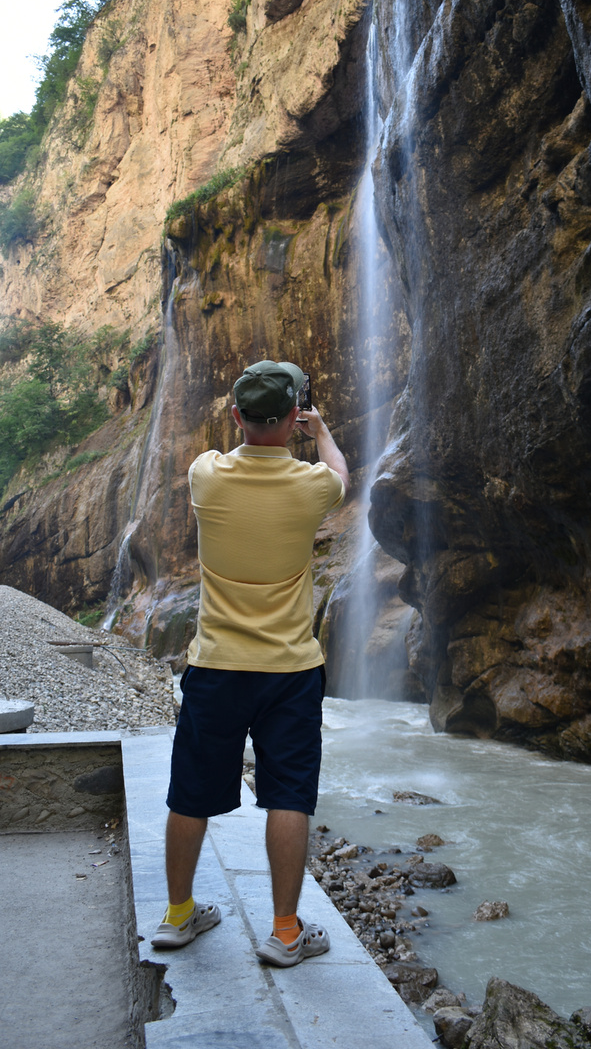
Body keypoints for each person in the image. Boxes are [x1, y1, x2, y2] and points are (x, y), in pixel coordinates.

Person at [150, 359, 349, 967]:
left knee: (190, 794)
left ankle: (179, 917)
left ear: (236, 417)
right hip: (290, 671)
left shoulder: (205, 474)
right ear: (294, 418)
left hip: (215, 665)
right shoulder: (313, 485)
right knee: (288, 795)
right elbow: (340, 471)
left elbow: (231, 451)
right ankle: (285, 933)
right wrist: (320, 434)